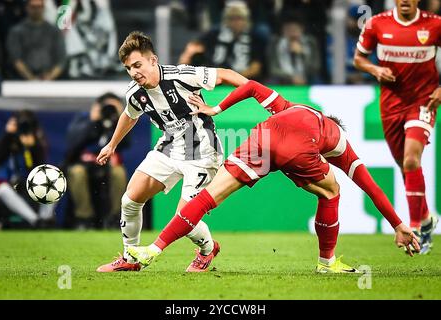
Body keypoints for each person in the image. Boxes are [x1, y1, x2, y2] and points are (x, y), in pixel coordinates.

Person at [126, 80, 421, 273]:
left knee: (208, 197)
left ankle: (153, 249)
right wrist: (398, 224)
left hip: (262, 138)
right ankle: (326, 262)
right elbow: (370, 186)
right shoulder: (338, 140)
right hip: (297, 149)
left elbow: (251, 86)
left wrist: (215, 108)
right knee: (331, 190)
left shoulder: (289, 107)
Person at [95, 31, 249, 272]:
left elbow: (226, 75)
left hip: (202, 152)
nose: (134, 72)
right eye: (128, 68)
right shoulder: (135, 92)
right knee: (130, 200)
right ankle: (130, 258)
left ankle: (208, 250)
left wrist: (257, 97)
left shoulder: (182, 76)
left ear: (153, 60)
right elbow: (129, 114)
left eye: (138, 65)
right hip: (168, 149)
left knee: (185, 219)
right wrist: (111, 144)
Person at [353, 0, 441, 254]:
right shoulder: (376, 24)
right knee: (405, 165)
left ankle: (414, 227)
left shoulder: (434, 25)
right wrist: (375, 69)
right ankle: (425, 219)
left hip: (423, 101)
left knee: (412, 160)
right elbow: (359, 59)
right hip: (390, 105)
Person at [65, 93, 128, 229]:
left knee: (119, 173)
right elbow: (73, 142)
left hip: (108, 163)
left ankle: (115, 217)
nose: (108, 110)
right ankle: (84, 218)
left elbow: (126, 143)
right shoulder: (84, 118)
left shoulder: (119, 121)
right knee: (77, 172)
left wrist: (118, 120)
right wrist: (92, 122)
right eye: (106, 106)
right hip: (83, 164)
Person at [178, 1, 266, 80]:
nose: (236, 22)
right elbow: (192, 50)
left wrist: (231, 77)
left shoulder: (255, 38)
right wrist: (186, 57)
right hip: (213, 79)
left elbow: (256, 68)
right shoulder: (213, 35)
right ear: (226, 20)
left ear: (246, 20)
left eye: (239, 18)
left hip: (242, 80)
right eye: (231, 18)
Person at [6, 0, 66, 80]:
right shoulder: (16, 31)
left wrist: (50, 77)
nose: (36, 10)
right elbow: (15, 58)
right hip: (22, 79)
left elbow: (61, 59)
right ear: (27, 8)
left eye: (39, 7)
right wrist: (31, 78)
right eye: (33, 7)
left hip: (51, 79)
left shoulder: (54, 32)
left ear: (44, 8)